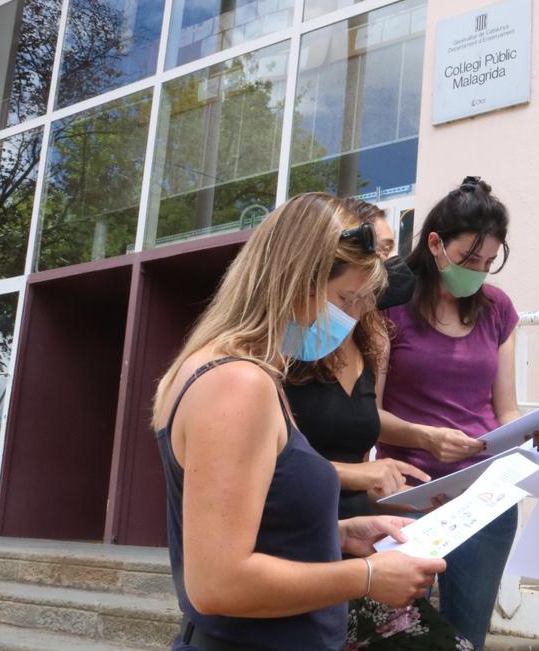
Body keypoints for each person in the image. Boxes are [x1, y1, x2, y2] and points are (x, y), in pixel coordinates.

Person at [152, 192, 446, 650]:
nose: (351, 320)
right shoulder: (237, 384)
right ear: (296, 281)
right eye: (345, 300)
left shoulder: (243, 371)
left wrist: (341, 534)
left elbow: (257, 528)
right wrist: (366, 576)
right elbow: (217, 584)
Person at [376, 177, 539, 650]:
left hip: (485, 495)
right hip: (407, 493)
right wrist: (425, 437)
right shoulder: (389, 304)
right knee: (395, 635)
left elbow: (506, 408)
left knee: (466, 637)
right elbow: (367, 413)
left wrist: (534, 441)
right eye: (467, 260)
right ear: (435, 243)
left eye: (487, 263)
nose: (477, 273)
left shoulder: (497, 309)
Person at [282, 198, 472, 650]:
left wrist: (416, 450)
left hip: (352, 533)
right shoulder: (285, 348)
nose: (386, 268)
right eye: (379, 251)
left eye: (389, 251)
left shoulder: (366, 339)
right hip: (299, 548)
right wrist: (354, 474)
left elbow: (363, 423)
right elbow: (268, 464)